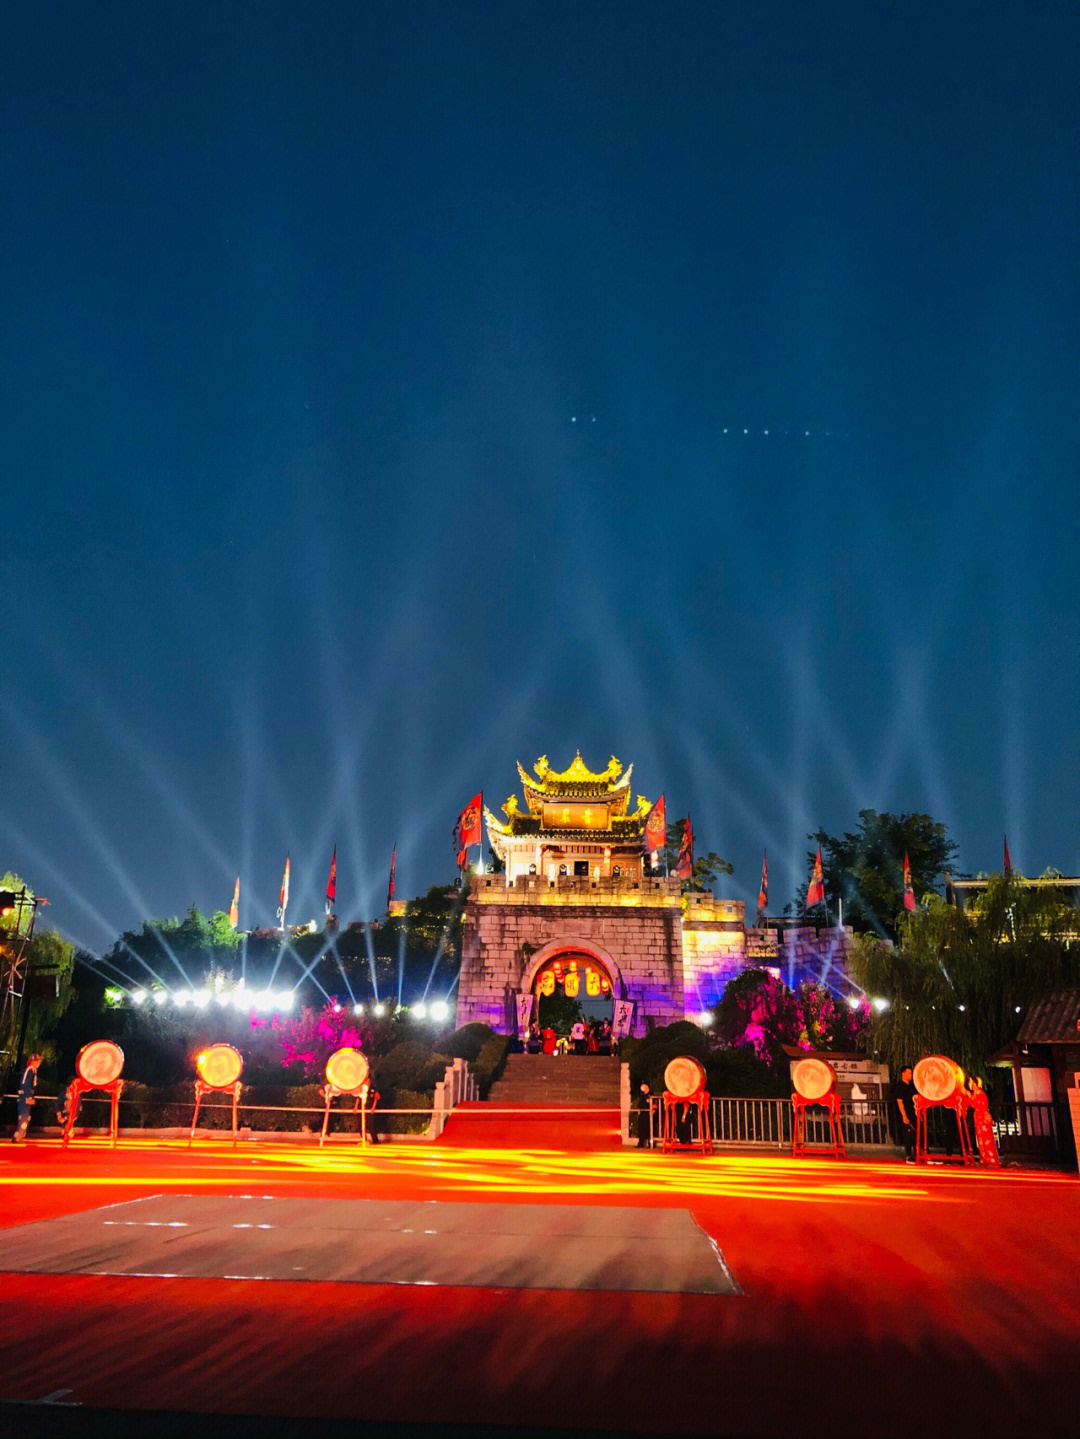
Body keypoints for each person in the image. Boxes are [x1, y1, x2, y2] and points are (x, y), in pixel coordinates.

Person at [967, 1075, 1001, 1167]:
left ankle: (992, 1159)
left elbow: (981, 1104)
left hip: (983, 1117)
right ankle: (984, 1159)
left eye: (973, 1083)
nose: (972, 1085)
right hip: (978, 1117)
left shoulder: (980, 1094)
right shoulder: (974, 1094)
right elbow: (969, 1102)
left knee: (987, 1138)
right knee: (980, 1139)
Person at [13, 1054, 43, 1143]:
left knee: (26, 1118)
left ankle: (19, 1136)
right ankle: (17, 1137)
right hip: (24, 1098)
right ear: (33, 1061)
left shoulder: (33, 1071)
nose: (39, 1063)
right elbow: (25, 1083)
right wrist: (28, 1096)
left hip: (27, 1097)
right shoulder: (29, 1070)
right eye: (37, 1061)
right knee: (23, 1118)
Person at [893, 1065, 917, 1162]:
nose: (911, 1075)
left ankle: (918, 1153)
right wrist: (904, 1115)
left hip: (914, 1112)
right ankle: (908, 1155)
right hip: (906, 1113)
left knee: (916, 1133)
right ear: (903, 1073)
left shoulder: (912, 1086)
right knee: (908, 1135)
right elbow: (900, 1101)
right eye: (909, 1073)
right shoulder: (899, 1086)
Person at [634, 1083, 652, 1148]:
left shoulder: (650, 1095)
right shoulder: (642, 1095)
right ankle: (640, 1143)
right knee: (641, 1128)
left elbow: (654, 1104)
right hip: (642, 1113)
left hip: (648, 1114)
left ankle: (650, 1143)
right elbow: (640, 1104)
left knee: (648, 1128)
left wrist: (653, 1110)